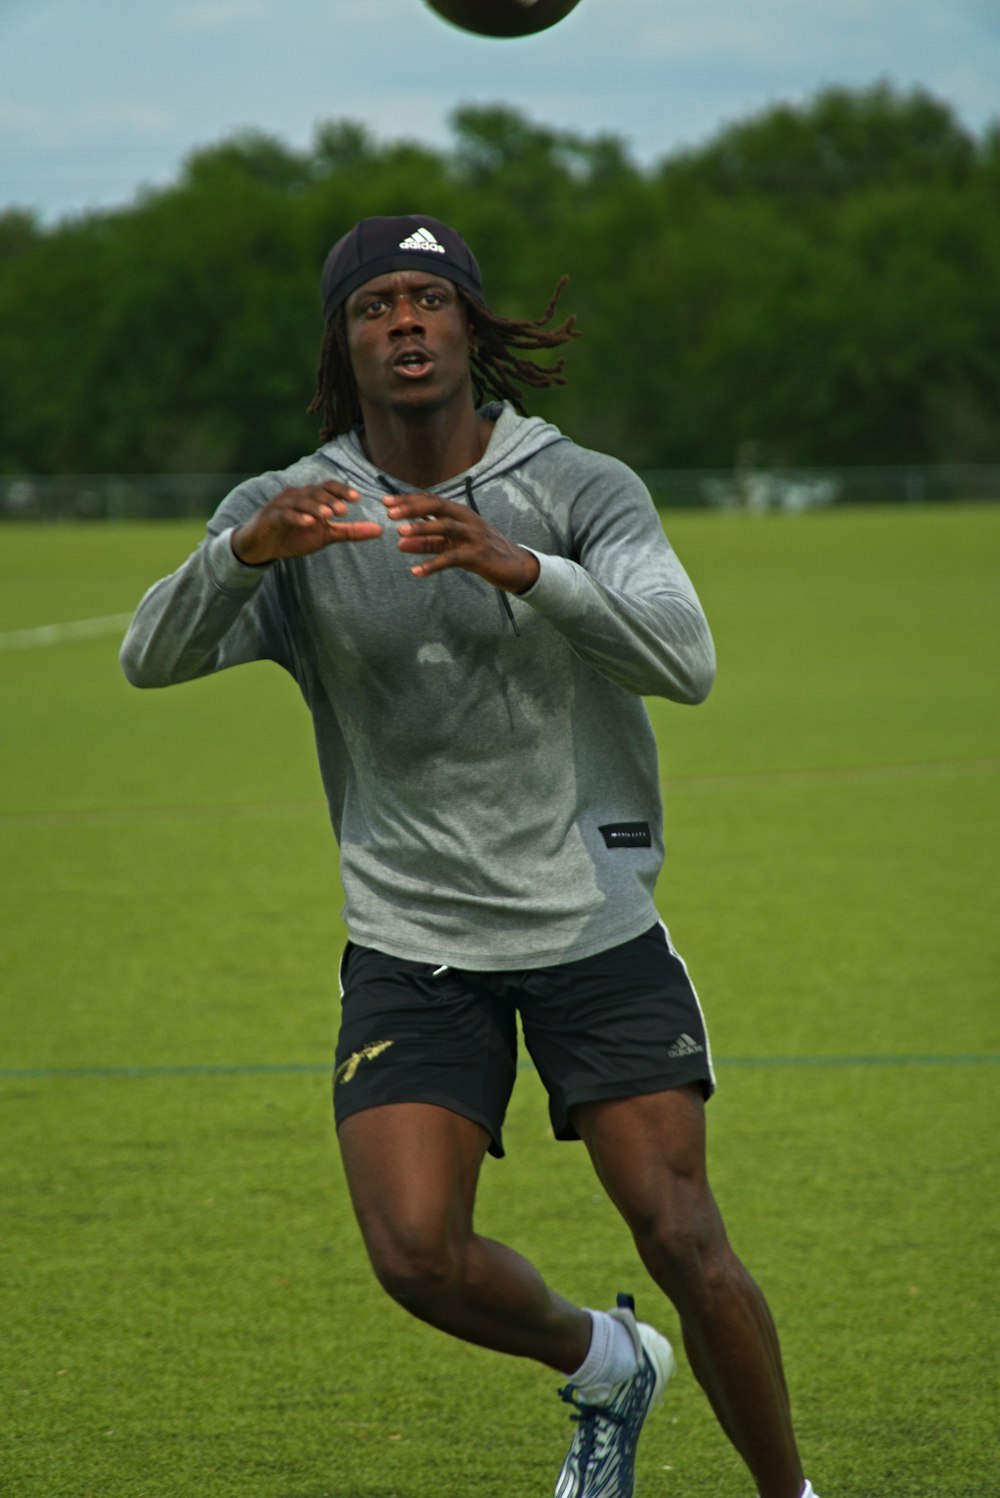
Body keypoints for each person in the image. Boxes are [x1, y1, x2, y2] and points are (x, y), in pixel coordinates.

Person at [120, 213, 819, 1498]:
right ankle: (607, 1359)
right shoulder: (300, 506)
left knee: (681, 1231)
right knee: (413, 1256)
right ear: (344, 342)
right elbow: (147, 657)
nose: (404, 321)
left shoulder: (582, 488)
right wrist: (241, 557)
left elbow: (687, 660)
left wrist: (527, 567)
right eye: (373, 303)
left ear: (469, 327)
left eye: (427, 299)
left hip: (592, 926)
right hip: (412, 942)